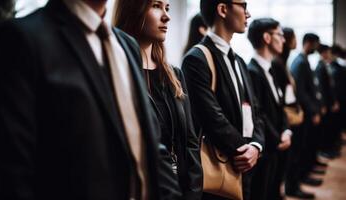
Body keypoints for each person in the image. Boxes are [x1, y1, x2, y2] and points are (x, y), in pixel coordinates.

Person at [0, 0, 181, 199]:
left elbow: (151, 148)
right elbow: (13, 174)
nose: (166, 15)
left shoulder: (128, 46)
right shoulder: (21, 39)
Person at [114, 0, 203, 199]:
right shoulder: (117, 72)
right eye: (156, 6)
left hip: (178, 190)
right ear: (133, 10)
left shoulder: (174, 75)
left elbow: (191, 142)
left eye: (167, 8)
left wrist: (193, 194)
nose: (166, 16)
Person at [182, 0, 265, 199]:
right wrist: (243, 149)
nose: (248, 14)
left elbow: (256, 111)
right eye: (243, 6)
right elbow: (212, 118)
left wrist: (256, 146)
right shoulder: (196, 58)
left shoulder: (240, 62)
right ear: (222, 9)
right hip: (219, 166)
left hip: (245, 161)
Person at [247, 18, 292, 200]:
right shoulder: (252, 71)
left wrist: (287, 129)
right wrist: (277, 138)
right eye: (280, 35)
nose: (284, 40)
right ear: (266, 37)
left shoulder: (271, 68)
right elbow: (259, 114)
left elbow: (280, 105)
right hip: (267, 146)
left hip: (277, 143)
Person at [273, 27, 315, 199]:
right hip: (286, 118)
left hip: (291, 116)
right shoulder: (278, 63)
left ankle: (291, 185)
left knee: (294, 155)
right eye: (293, 38)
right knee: (288, 158)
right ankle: (290, 186)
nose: (294, 41)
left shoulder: (285, 62)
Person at [289, 33, 323, 199]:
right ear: (308, 43)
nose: (317, 48)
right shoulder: (299, 62)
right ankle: (297, 183)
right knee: (300, 149)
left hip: (306, 113)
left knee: (305, 146)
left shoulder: (303, 61)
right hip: (302, 114)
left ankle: (302, 177)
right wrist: (313, 110)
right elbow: (301, 92)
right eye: (316, 44)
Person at [315, 44, 340, 158]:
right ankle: (325, 149)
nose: (330, 54)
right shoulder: (320, 66)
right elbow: (321, 89)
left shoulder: (324, 65)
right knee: (325, 128)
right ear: (323, 53)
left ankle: (329, 148)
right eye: (328, 52)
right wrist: (323, 105)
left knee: (329, 126)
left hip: (329, 102)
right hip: (325, 103)